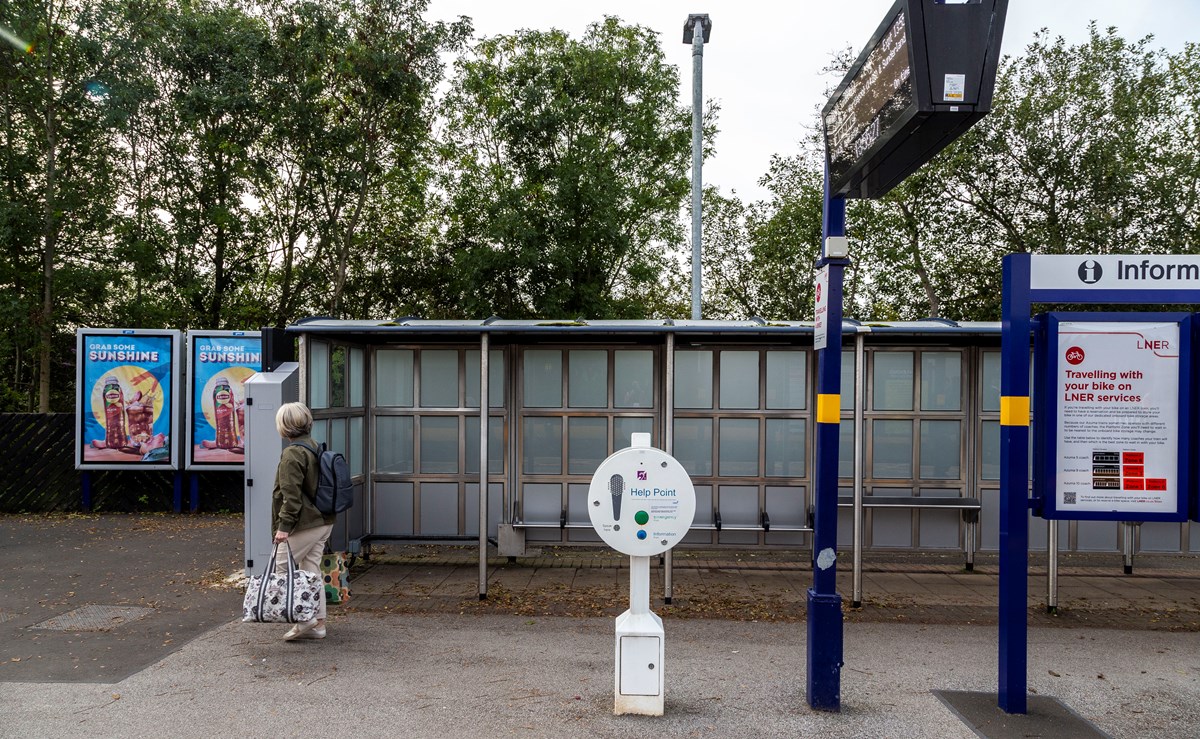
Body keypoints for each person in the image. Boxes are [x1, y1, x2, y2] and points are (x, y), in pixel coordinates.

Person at [271, 402, 335, 640]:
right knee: (311, 571)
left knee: (282, 567)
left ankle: (304, 617)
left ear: (284, 426)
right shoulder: (315, 447)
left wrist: (283, 528)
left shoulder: (291, 454)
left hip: (305, 523)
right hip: (324, 520)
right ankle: (318, 624)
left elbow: (291, 497)